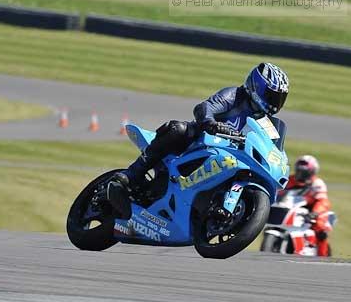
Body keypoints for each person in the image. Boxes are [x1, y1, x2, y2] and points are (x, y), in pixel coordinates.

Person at [107, 62, 290, 218]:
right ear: (257, 86)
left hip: (231, 157)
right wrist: (210, 122)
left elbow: (271, 146)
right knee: (177, 129)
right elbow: (205, 107)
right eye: (272, 95)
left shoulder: (265, 121)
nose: (276, 102)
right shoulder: (234, 95)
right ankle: (130, 176)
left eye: (280, 98)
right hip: (201, 142)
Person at [281, 154, 333, 257]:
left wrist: (315, 212)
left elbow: (323, 200)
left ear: (311, 172)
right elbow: (278, 193)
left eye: (304, 172)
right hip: (289, 209)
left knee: (320, 228)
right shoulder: (289, 180)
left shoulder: (317, 183)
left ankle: (323, 256)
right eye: (299, 171)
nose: (300, 175)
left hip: (310, 211)